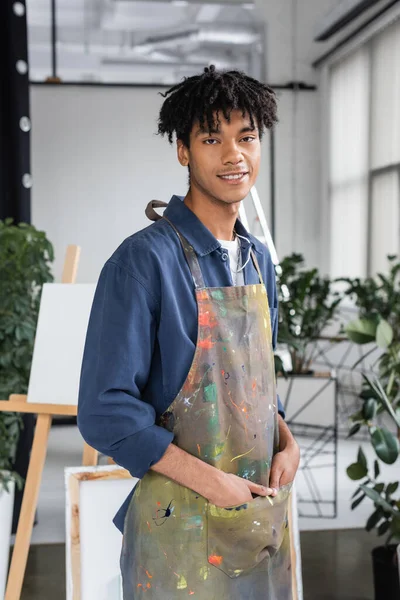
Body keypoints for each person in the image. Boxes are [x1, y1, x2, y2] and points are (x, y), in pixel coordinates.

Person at [78, 64, 300, 599]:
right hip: (179, 535)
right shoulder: (142, 262)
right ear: (183, 151)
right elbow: (105, 412)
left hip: (258, 522)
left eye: (246, 137)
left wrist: (286, 439)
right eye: (211, 138)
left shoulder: (258, 261)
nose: (233, 155)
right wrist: (214, 484)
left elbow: (252, 386)